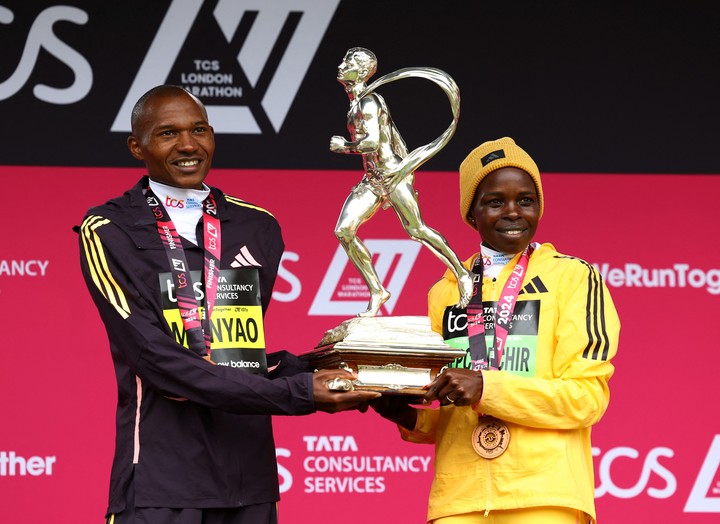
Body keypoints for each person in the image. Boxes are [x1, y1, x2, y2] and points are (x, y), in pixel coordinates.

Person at [77, 84, 380, 524]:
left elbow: (236, 358)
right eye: (167, 133)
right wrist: (298, 393)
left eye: (199, 130)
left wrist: (333, 368)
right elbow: (156, 359)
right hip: (161, 481)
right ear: (136, 146)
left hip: (248, 479)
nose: (188, 145)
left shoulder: (257, 226)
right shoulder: (109, 229)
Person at [372, 137, 620, 524]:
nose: (512, 212)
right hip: (459, 498)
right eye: (494, 201)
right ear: (471, 213)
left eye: (525, 200)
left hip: (543, 495)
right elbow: (455, 413)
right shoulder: (447, 291)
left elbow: (586, 398)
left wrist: (488, 387)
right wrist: (408, 416)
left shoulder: (573, 277)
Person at [330, 47, 473, 316]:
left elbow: (372, 143)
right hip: (372, 180)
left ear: (361, 72)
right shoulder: (356, 103)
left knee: (416, 230)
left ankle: (463, 274)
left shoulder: (369, 102)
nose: (341, 64)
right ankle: (377, 291)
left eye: (348, 61)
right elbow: (391, 136)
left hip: (392, 175)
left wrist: (344, 147)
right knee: (344, 231)